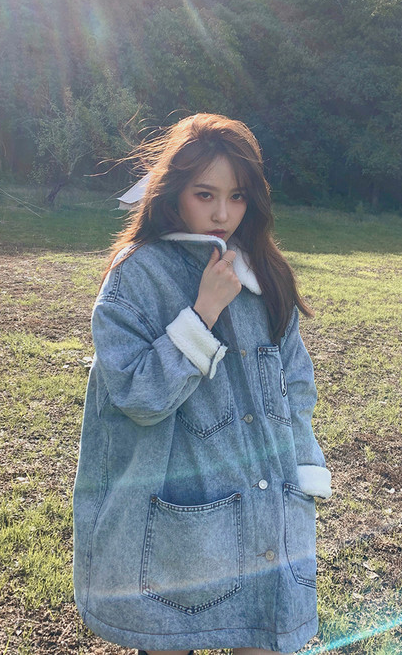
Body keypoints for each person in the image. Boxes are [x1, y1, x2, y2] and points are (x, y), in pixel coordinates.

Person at [72, 113, 331, 655]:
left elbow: (297, 382)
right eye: (205, 194)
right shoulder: (137, 275)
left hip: (267, 500)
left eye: (237, 197)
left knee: (263, 632)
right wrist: (203, 312)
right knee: (169, 634)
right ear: (173, 192)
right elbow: (138, 396)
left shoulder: (264, 271)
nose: (221, 214)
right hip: (175, 507)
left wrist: (304, 465)